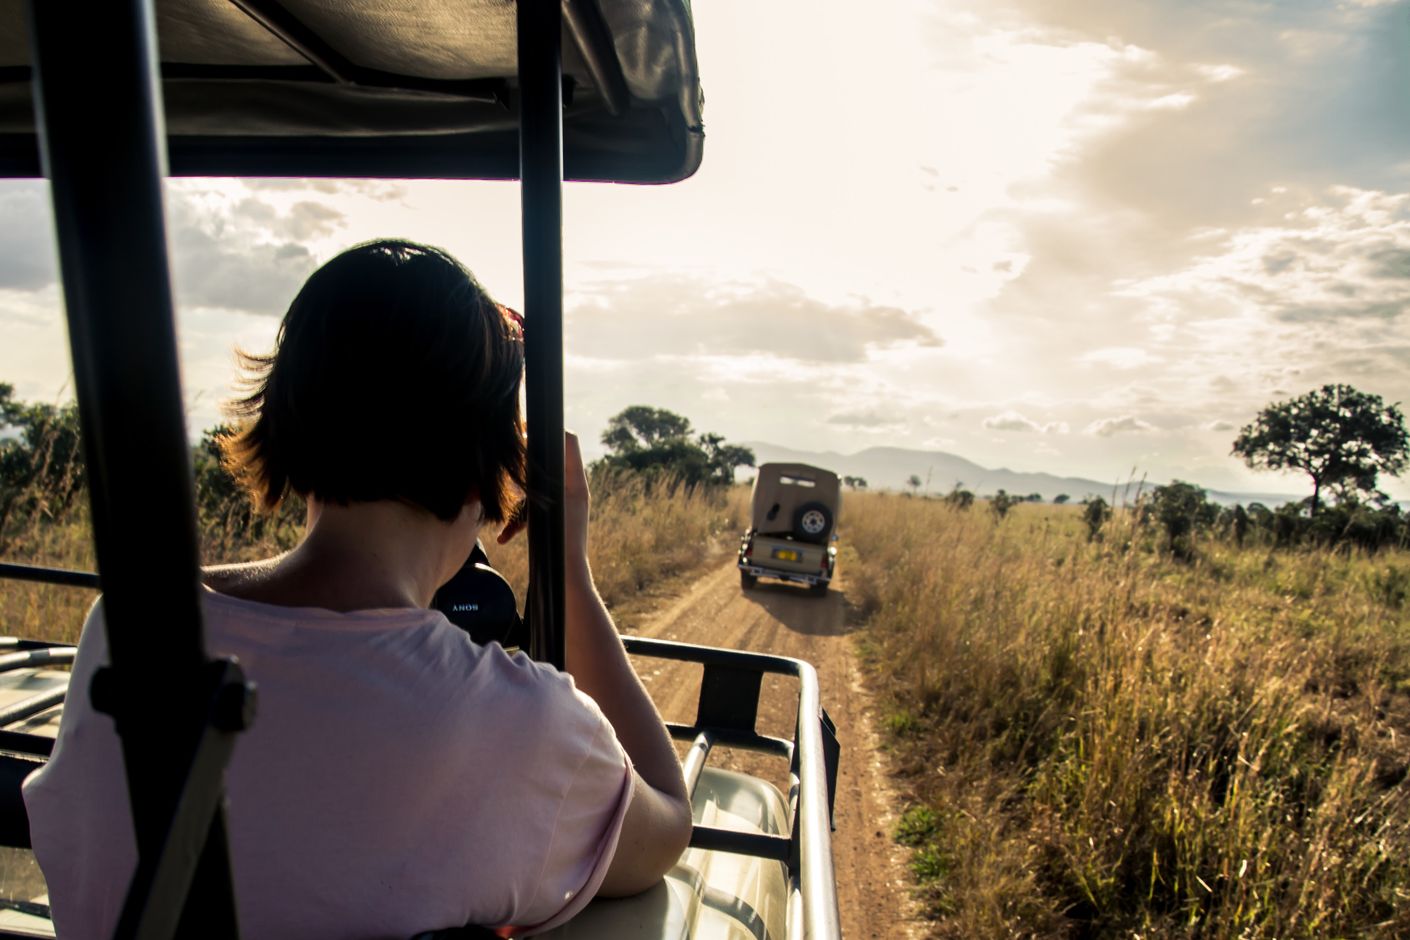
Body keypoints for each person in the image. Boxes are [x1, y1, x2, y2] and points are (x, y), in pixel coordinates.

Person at [23, 240, 693, 939]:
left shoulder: (129, 630)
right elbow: (666, 824)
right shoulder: (520, 723)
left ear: (284, 421)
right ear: (489, 467)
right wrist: (570, 571)